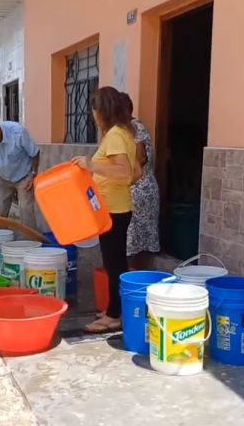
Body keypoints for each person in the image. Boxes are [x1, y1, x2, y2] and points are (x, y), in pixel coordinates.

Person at [71, 86, 142, 333]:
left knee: (114, 264)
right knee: (115, 262)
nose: (93, 114)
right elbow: (136, 172)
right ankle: (115, 308)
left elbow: (124, 171)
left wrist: (91, 166)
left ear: (102, 110)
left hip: (113, 211)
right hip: (117, 207)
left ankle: (113, 316)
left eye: (94, 109)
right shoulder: (124, 133)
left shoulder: (114, 136)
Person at [0, 114, 40, 230]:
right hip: (3, 178)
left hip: (24, 177)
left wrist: (33, 174)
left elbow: (35, 153)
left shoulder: (18, 132)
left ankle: (30, 239)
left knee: (26, 210)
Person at [120, 92, 160, 270]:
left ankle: (136, 279)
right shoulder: (127, 129)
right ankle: (134, 277)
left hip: (140, 191)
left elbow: (141, 158)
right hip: (135, 191)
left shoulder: (136, 127)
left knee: (136, 243)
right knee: (133, 242)